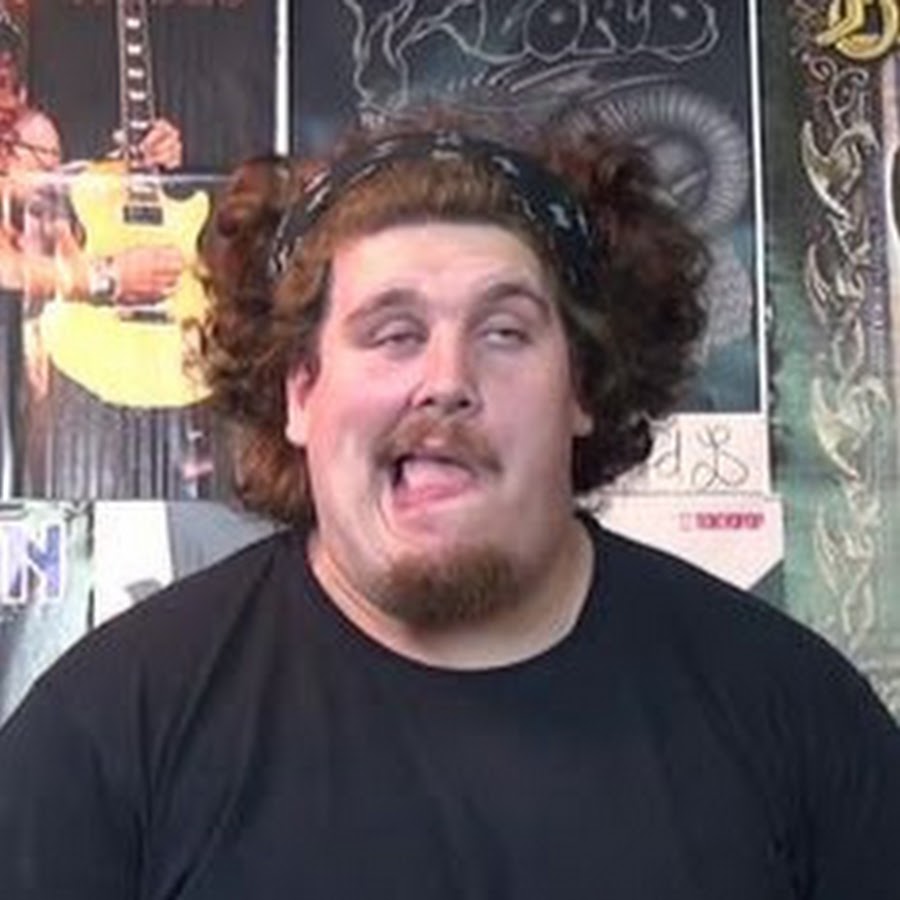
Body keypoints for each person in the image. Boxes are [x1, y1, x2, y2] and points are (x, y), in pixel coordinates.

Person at [1, 111, 900, 899]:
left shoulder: (798, 716)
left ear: (582, 387)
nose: (446, 380)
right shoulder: (105, 732)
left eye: (504, 331)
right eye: (392, 333)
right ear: (301, 393)